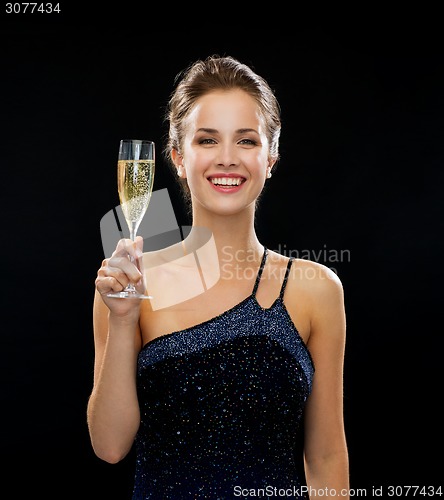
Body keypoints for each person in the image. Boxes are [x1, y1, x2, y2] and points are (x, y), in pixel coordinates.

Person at [87, 55, 350, 499]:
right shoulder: (126, 286)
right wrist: (122, 318)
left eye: (246, 141)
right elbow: (110, 447)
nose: (227, 159)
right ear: (177, 157)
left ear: (271, 158)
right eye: (207, 140)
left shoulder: (315, 289)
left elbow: (326, 458)